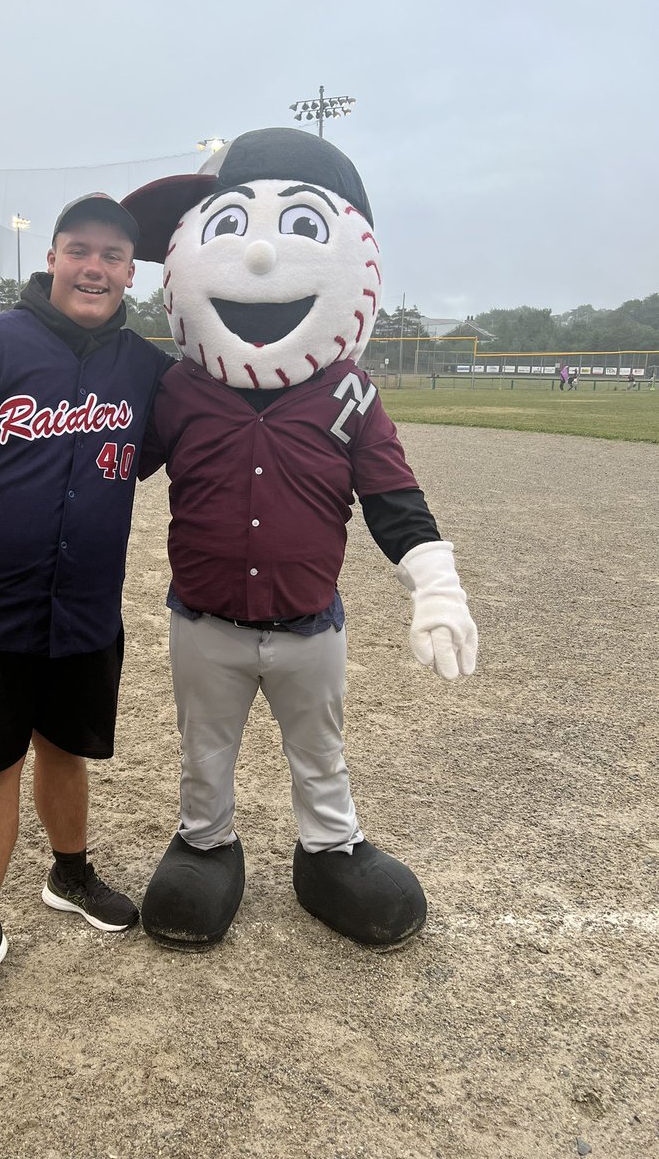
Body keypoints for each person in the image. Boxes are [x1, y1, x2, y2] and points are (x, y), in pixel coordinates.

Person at [122, 128, 478, 952]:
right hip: (203, 623)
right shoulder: (178, 390)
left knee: (320, 753)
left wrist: (437, 585)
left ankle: (329, 850)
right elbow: (109, 473)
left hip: (308, 624)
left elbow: (393, 497)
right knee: (203, 752)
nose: (255, 264)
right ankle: (206, 843)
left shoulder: (348, 393)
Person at [0, 193, 173, 1019]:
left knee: (68, 747)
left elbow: (160, 452)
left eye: (113, 256)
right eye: (80, 250)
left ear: (134, 272)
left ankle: (70, 871)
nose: (96, 267)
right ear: (53, 257)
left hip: (87, 602)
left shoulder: (145, 367)